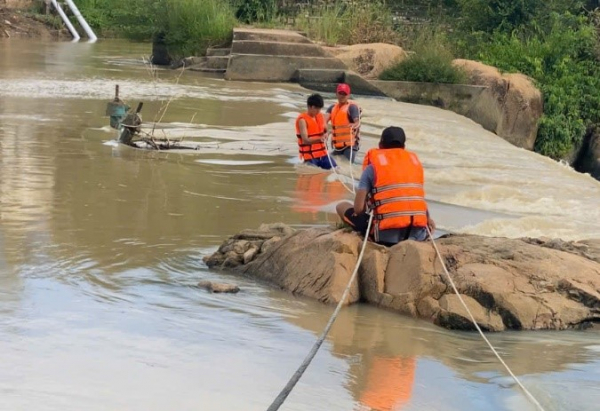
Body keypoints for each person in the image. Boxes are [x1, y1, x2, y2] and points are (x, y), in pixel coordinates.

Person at [336, 126, 435, 246]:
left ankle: (367, 237)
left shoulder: (372, 168)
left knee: (341, 206)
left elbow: (358, 209)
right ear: (403, 147)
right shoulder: (415, 164)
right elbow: (416, 197)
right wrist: (428, 219)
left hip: (386, 238)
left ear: (380, 145)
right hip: (418, 235)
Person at [295, 93, 336, 170]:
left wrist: (328, 133)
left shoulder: (320, 116)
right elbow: (305, 140)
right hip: (310, 157)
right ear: (311, 107)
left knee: (337, 169)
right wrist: (320, 139)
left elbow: (325, 131)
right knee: (313, 175)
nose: (319, 111)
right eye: (317, 108)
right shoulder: (302, 120)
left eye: (320, 108)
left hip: (323, 155)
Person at [325, 83, 361, 163]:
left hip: (350, 146)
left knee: (347, 166)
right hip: (337, 147)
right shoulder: (332, 108)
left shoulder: (352, 107)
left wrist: (354, 124)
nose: (342, 96)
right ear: (336, 94)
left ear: (348, 95)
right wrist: (325, 131)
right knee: (328, 162)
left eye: (344, 94)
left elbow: (357, 122)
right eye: (340, 93)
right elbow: (324, 122)